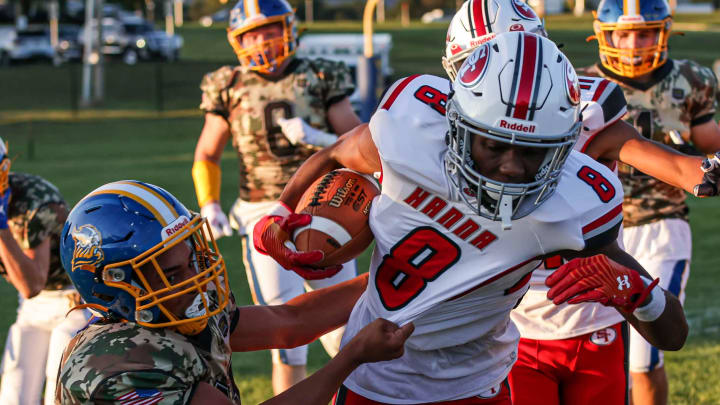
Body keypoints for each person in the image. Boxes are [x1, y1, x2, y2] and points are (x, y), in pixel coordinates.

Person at [255, 32, 688, 404]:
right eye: (494, 146)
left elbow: (672, 334)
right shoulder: (409, 133)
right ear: (457, 126)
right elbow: (334, 153)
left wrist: (638, 293)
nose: (512, 168)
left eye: (533, 152)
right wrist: (281, 210)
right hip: (375, 378)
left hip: (475, 385)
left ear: (563, 148)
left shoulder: (575, 204)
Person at [435, 2, 720, 404]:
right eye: (480, 67)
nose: (508, 80)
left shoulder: (587, 113)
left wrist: (710, 170)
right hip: (507, 329)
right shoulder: (434, 126)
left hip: (593, 321)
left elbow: (689, 171)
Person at [55, 180, 413, 404]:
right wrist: (349, 359)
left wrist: (395, 275)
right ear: (115, 286)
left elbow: (289, 322)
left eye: (192, 258)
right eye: (174, 271)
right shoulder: (118, 367)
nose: (195, 276)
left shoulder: (170, 309)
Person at [191, 0, 364, 394]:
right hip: (262, 214)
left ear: (288, 28)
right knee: (286, 341)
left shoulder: (320, 75)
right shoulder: (229, 84)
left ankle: (364, 398)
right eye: (251, 34)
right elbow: (207, 154)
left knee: (347, 328)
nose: (261, 41)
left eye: (268, 29)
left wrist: (319, 140)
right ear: (237, 40)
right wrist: (210, 202)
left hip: (323, 210)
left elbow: (360, 142)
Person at [578, 1, 720, 404]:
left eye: (644, 33)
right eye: (624, 33)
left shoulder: (690, 79)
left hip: (663, 226)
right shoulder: (579, 85)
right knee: (602, 349)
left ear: (662, 33)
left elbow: (710, 144)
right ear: (603, 36)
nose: (634, 43)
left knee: (643, 356)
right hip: (595, 232)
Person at [0, 138, 90, 405]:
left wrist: (1, 226)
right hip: (32, 307)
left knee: (58, 387)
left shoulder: (36, 201)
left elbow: (32, 284)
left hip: (74, 299)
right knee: (13, 392)